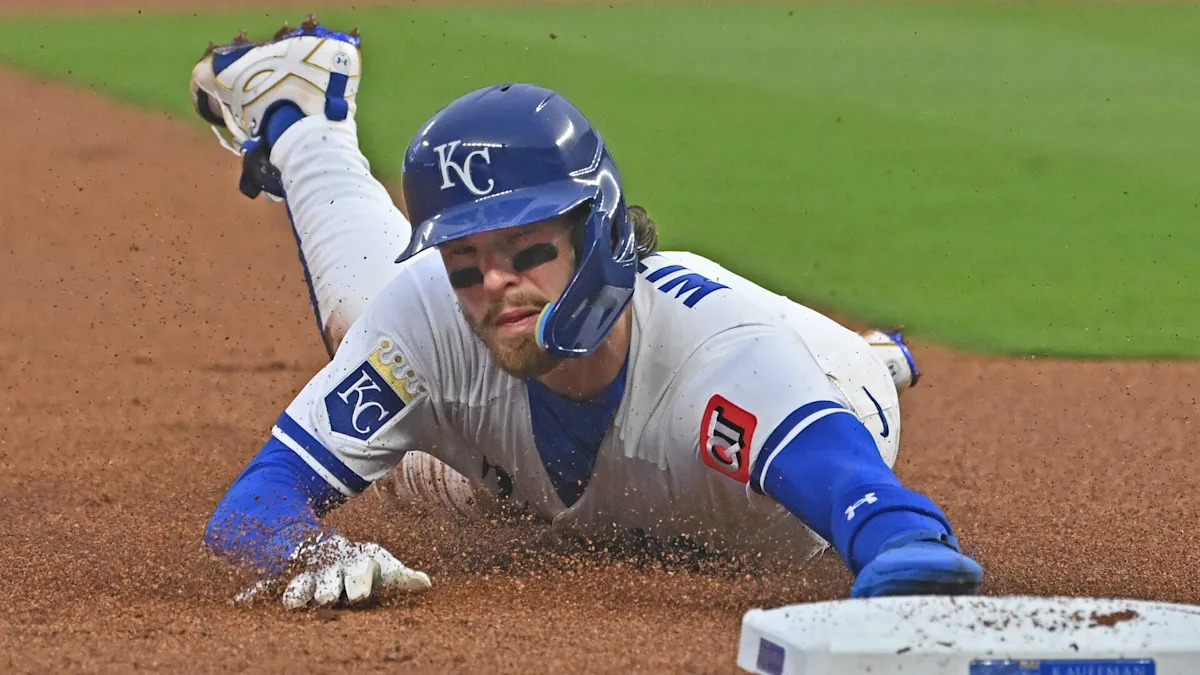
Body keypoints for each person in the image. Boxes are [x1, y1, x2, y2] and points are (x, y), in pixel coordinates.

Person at [190, 18, 984, 609]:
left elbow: (887, 520)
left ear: (595, 234)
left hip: (817, 389)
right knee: (374, 343)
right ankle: (297, 116)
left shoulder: (725, 362)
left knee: (791, 385)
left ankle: (868, 357)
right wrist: (308, 552)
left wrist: (906, 562)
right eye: (464, 259)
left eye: (526, 249)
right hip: (577, 483)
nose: (494, 281)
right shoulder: (434, 312)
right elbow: (256, 503)